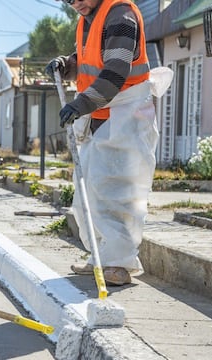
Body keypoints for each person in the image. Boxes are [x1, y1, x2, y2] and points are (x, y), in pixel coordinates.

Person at [45, 0, 157, 285]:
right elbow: (91, 63)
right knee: (89, 193)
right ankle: (101, 257)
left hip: (125, 116)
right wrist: (67, 66)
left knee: (117, 193)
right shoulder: (92, 17)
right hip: (103, 115)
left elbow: (116, 71)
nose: (75, 3)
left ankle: (118, 265)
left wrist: (81, 104)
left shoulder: (121, 15)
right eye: (68, 0)